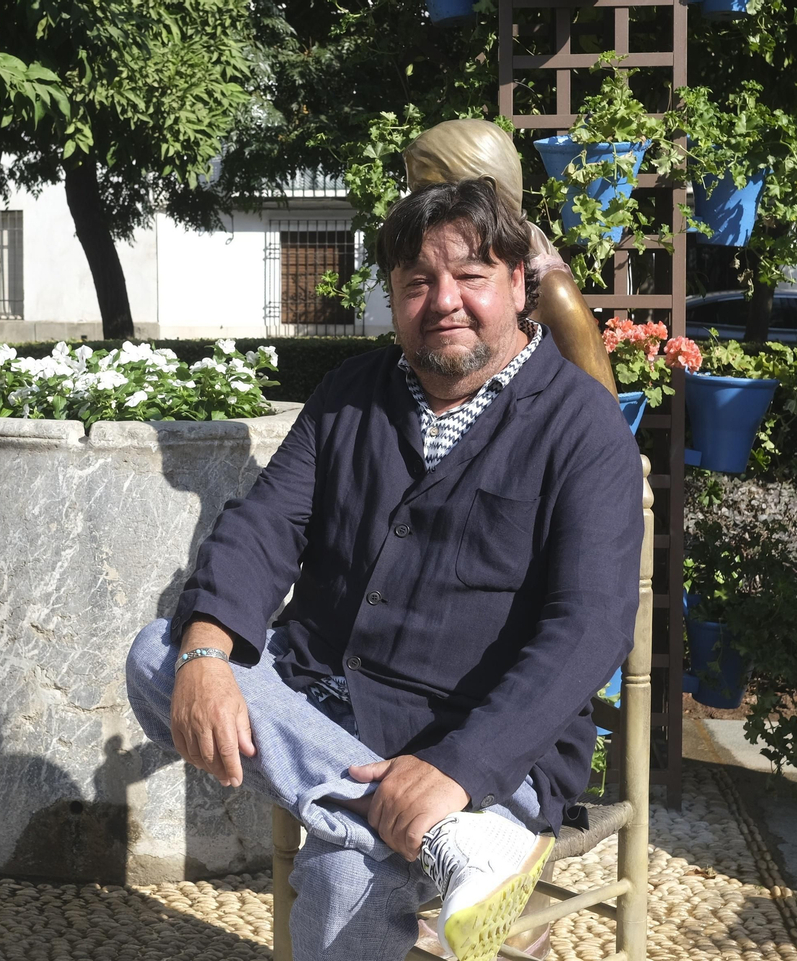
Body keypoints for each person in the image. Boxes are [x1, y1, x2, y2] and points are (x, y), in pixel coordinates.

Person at [125, 179, 643, 961]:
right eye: (416, 283)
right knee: (157, 654)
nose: (444, 300)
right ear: (393, 298)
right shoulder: (349, 396)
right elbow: (265, 526)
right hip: (328, 707)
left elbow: (591, 625)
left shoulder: (582, 425)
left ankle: (444, 823)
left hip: (487, 739)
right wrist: (205, 648)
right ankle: (453, 845)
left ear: (515, 284)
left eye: (469, 276)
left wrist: (457, 770)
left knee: (344, 871)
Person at [404, 118, 618, 397]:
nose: (418, 209)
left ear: (488, 191)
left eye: (429, 192)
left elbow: (602, 409)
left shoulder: (551, 289)